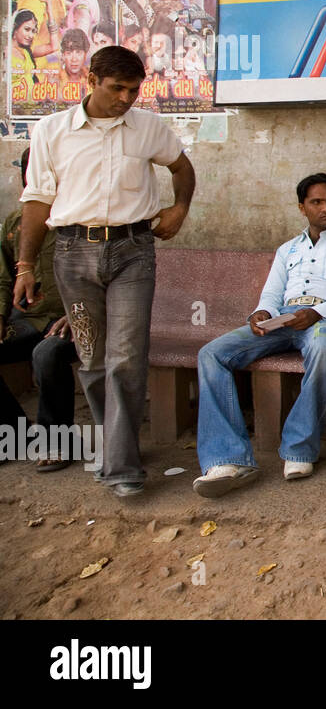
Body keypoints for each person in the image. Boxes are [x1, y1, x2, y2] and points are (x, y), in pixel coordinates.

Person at [15, 46, 195, 498]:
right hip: (73, 255)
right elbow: (36, 201)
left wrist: (179, 209)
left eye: (134, 90)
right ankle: (117, 442)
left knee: (127, 356)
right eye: (118, 88)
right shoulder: (51, 131)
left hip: (134, 251)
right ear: (91, 79)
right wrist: (24, 266)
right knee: (93, 357)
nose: (127, 98)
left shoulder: (148, 127)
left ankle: (121, 466)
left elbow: (181, 167)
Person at [192, 174, 326, 497]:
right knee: (211, 354)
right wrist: (261, 315)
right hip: (283, 319)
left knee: (323, 348)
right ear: (302, 208)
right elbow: (271, 295)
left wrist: (318, 312)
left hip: (324, 318)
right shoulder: (288, 249)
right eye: (317, 202)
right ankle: (228, 458)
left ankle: (298, 449)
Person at [0, 149, 79, 470]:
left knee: (47, 355)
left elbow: (108, 279)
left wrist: (80, 314)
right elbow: (3, 278)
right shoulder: (16, 223)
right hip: (31, 319)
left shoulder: (84, 222)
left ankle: (57, 441)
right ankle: (16, 436)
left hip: (76, 322)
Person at [58, 29, 90, 99]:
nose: (74, 59)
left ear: (85, 55)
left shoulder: (92, 78)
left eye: (78, 52)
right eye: (69, 53)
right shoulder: (55, 80)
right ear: (63, 55)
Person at [10, 10, 38, 76]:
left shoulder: (26, 52)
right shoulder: (5, 53)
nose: (31, 35)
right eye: (27, 29)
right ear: (15, 28)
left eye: (33, 31)